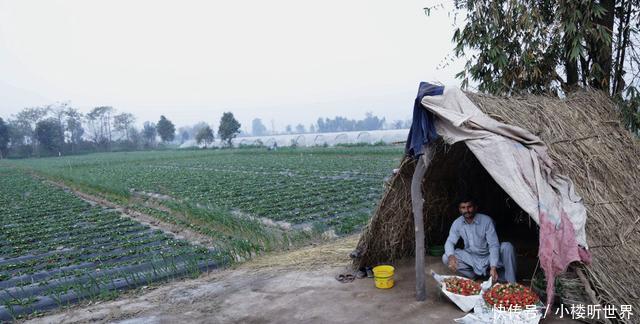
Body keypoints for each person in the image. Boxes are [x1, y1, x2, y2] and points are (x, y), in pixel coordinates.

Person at [441, 196, 517, 283]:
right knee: (446, 257)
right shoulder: (457, 223)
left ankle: (512, 282)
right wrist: (451, 257)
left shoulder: (487, 221)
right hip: (472, 258)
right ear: (459, 209)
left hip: (488, 256)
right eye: (463, 208)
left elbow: (493, 245)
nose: (467, 210)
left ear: (475, 207)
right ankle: (475, 275)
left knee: (507, 247)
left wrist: (493, 267)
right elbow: (450, 241)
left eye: (469, 207)